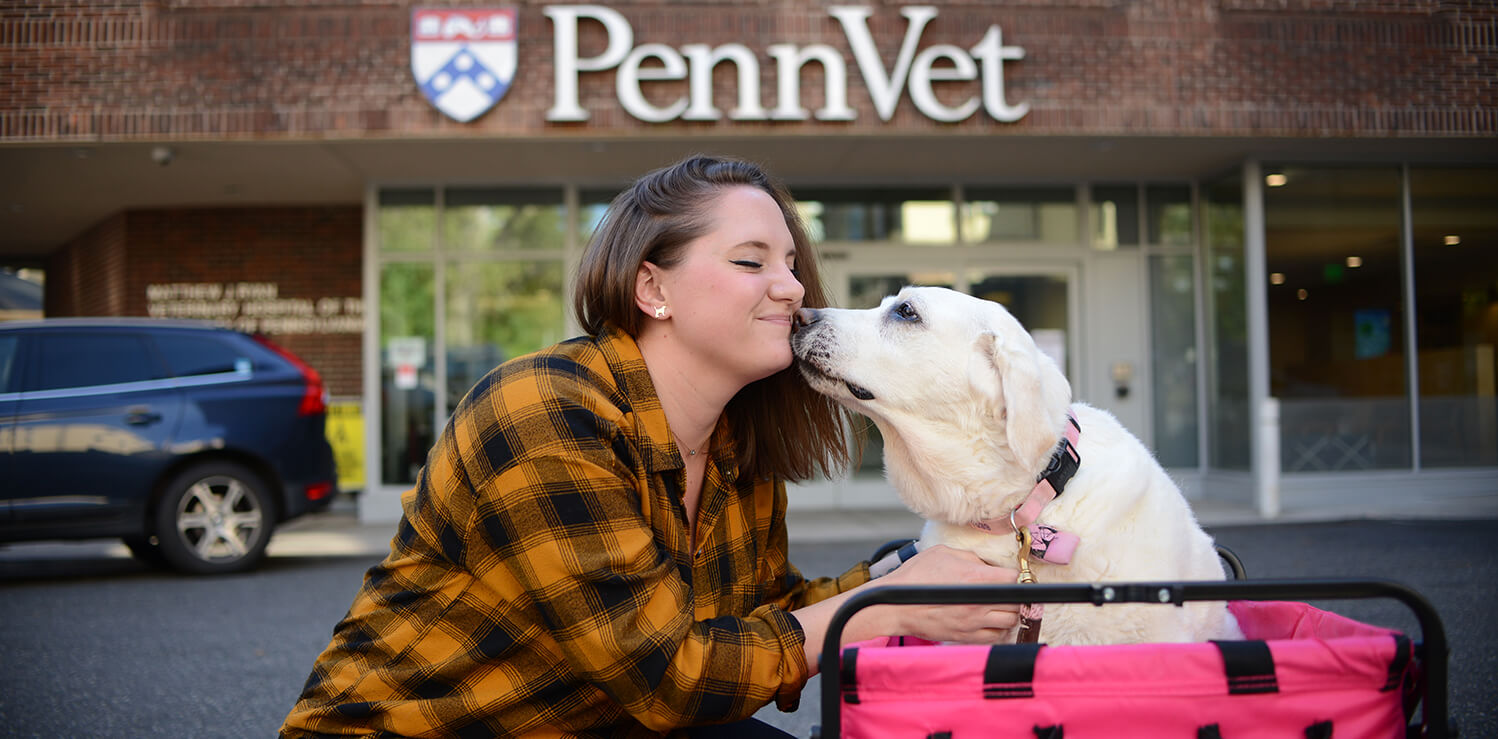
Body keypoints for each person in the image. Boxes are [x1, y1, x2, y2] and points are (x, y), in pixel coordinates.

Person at [281, 155, 1021, 738]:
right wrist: (885, 604)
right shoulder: (543, 414)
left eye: (792, 263)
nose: (793, 287)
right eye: (750, 261)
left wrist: (906, 571)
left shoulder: (732, 439)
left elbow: (766, 614)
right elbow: (672, 675)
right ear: (651, 287)